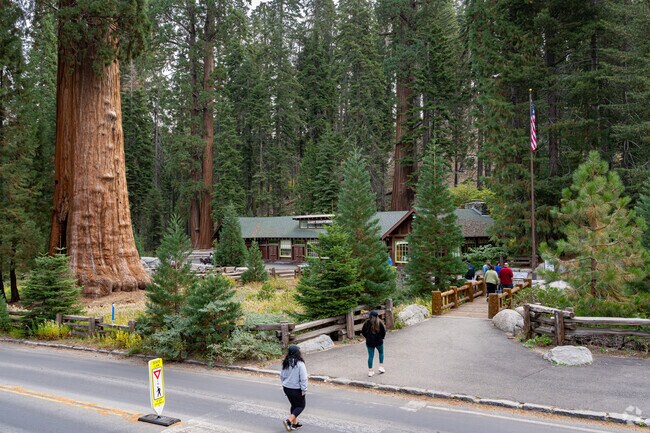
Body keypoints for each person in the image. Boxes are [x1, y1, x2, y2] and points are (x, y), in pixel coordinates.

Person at [280, 345, 308, 431]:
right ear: (297, 353)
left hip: (287, 388)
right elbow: (303, 378)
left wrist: (284, 384)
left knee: (294, 405)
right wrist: (304, 389)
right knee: (301, 406)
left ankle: (295, 424)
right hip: (297, 389)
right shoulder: (300, 364)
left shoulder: (286, 362)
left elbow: (282, 376)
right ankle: (288, 421)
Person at [362, 310, 386, 377]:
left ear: (370, 316)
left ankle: (370, 371)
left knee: (370, 356)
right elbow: (383, 331)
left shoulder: (366, 322)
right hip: (378, 341)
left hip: (369, 342)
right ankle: (381, 366)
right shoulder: (380, 322)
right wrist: (382, 338)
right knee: (381, 353)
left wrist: (367, 337)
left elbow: (363, 331)